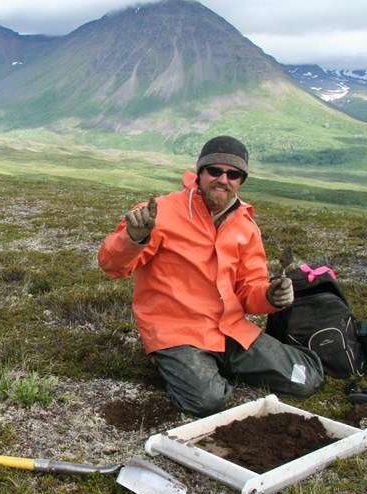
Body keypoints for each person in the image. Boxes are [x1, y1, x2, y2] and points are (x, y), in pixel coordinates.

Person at [98, 135, 324, 416]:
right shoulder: (160, 213)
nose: (223, 179)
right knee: (207, 401)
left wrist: (270, 296)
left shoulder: (246, 225)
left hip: (230, 330)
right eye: (215, 171)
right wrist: (134, 237)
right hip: (177, 332)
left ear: (242, 180)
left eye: (233, 174)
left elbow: (249, 289)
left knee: (306, 379)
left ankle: (218, 364)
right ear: (200, 172)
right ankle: (173, 362)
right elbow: (111, 265)